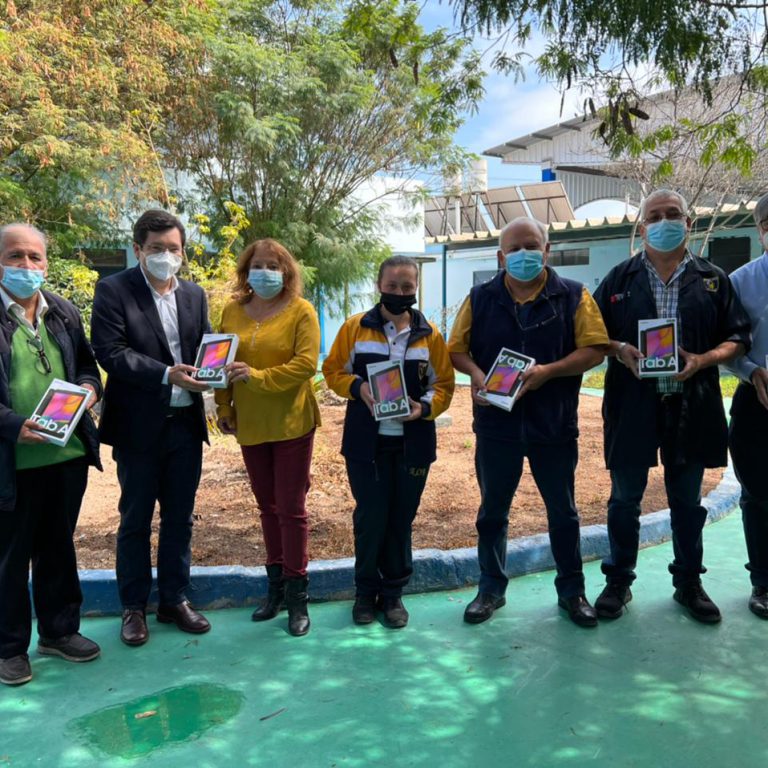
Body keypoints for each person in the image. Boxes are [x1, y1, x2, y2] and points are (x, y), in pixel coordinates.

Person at [593, 189, 749, 623]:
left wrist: (703, 359)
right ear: (642, 228)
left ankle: (688, 583)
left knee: (687, 502)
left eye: (672, 214)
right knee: (624, 500)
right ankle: (618, 581)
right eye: (654, 216)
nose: (664, 222)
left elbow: (738, 337)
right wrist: (619, 349)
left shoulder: (713, 279)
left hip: (691, 405)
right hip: (632, 405)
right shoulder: (618, 280)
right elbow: (589, 335)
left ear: (688, 223)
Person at [449, 217, 608, 628]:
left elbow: (595, 349)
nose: (523, 254)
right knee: (492, 513)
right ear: (501, 257)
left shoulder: (573, 295)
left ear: (547, 250)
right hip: (496, 425)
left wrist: (548, 372)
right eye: (514, 248)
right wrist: (477, 374)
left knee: (564, 513)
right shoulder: (479, 298)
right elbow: (456, 350)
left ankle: (572, 592)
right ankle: (490, 589)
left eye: (532, 246)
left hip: (553, 424)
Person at [91, 209, 212, 646]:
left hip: (185, 425)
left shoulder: (194, 295)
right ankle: (133, 607)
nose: (166, 256)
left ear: (183, 252)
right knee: (135, 519)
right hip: (138, 427)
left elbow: (205, 346)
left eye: (173, 248)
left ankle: (174, 599)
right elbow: (110, 351)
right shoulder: (114, 290)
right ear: (138, 249)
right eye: (157, 248)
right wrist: (166, 374)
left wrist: (217, 369)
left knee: (180, 518)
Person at [323, 256, 455, 628]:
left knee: (401, 519)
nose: (399, 292)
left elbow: (443, 385)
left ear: (416, 288)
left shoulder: (430, 336)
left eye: (407, 286)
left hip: (413, 445)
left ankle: (393, 594)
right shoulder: (355, 328)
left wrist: (423, 408)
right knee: (370, 518)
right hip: (366, 444)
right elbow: (332, 371)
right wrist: (358, 387)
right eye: (392, 285)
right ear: (379, 285)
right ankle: (365, 593)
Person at [0, 223, 102, 686]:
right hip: (11, 463)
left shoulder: (62, 311)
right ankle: (9, 648)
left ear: (45, 262)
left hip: (66, 457)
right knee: (9, 557)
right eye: (14, 256)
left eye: (34, 257)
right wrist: (13, 426)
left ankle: (59, 632)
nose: (26, 265)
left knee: (58, 547)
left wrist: (89, 390)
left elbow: (87, 366)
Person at [216, 238, 320, 637]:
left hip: (292, 422)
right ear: (246, 271)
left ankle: (298, 597)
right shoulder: (231, 311)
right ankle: (275, 589)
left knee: (291, 509)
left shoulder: (301, 310)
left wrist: (256, 377)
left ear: (286, 272)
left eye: (273, 266)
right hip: (250, 424)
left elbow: (306, 365)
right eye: (257, 265)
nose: (264, 272)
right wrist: (224, 407)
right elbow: (220, 362)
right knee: (267, 508)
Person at [726, 192, 768, 619]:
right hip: (758, 403)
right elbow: (728, 344)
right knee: (757, 495)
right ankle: (764, 581)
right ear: (760, 230)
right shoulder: (740, 282)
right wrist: (753, 371)